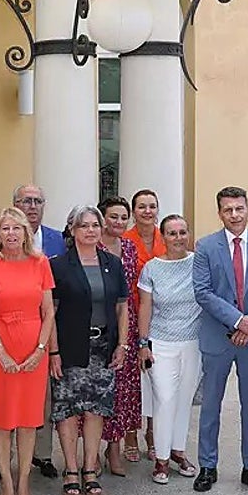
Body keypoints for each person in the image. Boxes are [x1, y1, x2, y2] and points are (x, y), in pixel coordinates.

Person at [192, 186, 248, 495]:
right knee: (210, 405)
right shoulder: (206, 246)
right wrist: (236, 320)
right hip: (218, 337)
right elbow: (203, 292)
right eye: (228, 209)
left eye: (239, 208)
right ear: (219, 213)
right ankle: (207, 465)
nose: (234, 214)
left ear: (247, 209)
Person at [47, 206, 129, 495]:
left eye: (95, 225)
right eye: (84, 225)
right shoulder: (58, 265)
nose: (91, 230)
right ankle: (71, 470)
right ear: (72, 230)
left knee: (96, 409)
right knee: (68, 410)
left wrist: (122, 344)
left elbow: (122, 306)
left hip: (103, 347)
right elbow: (50, 312)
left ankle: (90, 468)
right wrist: (53, 351)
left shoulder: (112, 264)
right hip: (69, 347)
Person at [0, 207, 55, 495]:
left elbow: (48, 312)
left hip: (34, 350)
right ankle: (6, 483)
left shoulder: (40, 263)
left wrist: (40, 350)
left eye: (16, 228)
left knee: (28, 420)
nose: (11, 233)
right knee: (1, 419)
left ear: (26, 233)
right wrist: (1, 352)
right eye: (5, 228)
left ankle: (23, 483)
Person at [137, 215, 201, 484]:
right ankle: (161, 459)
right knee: (164, 399)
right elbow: (145, 306)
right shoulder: (152, 268)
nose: (178, 238)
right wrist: (143, 343)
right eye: (172, 233)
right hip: (161, 344)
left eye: (182, 232)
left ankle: (178, 451)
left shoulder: (199, 263)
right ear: (163, 236)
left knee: (184, 399)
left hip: (193, 343)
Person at [13, 183, 64, 480]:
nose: (32, 207)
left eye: (37, 201)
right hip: (12, 325)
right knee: (10, 396)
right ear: (15, 205)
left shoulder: (57, 239)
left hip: (47, 323)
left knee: (42, 396)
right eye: (26, 201)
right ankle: (10, 457)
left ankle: (42, 454)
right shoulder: (3, 237)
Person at [97, 197, 143, 476]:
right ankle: (91, 451)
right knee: (96, 388)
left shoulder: (129, 247)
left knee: (121, 391)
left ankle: (113, 448)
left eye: (124, 217)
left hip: (127, 322)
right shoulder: (92, 245)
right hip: (97, 322)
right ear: (103, 218)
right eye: (113, 216)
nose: (118, 221)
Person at [124, 188, 163, 461]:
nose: (147, 211)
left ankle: (153, 433)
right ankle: (130, 434)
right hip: (130, 315)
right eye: (142, 206)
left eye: (152, 206)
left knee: (157, 379)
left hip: (162, 319)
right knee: (132, 380)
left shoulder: (168, 237)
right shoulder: (125, 240)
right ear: (133, 211)